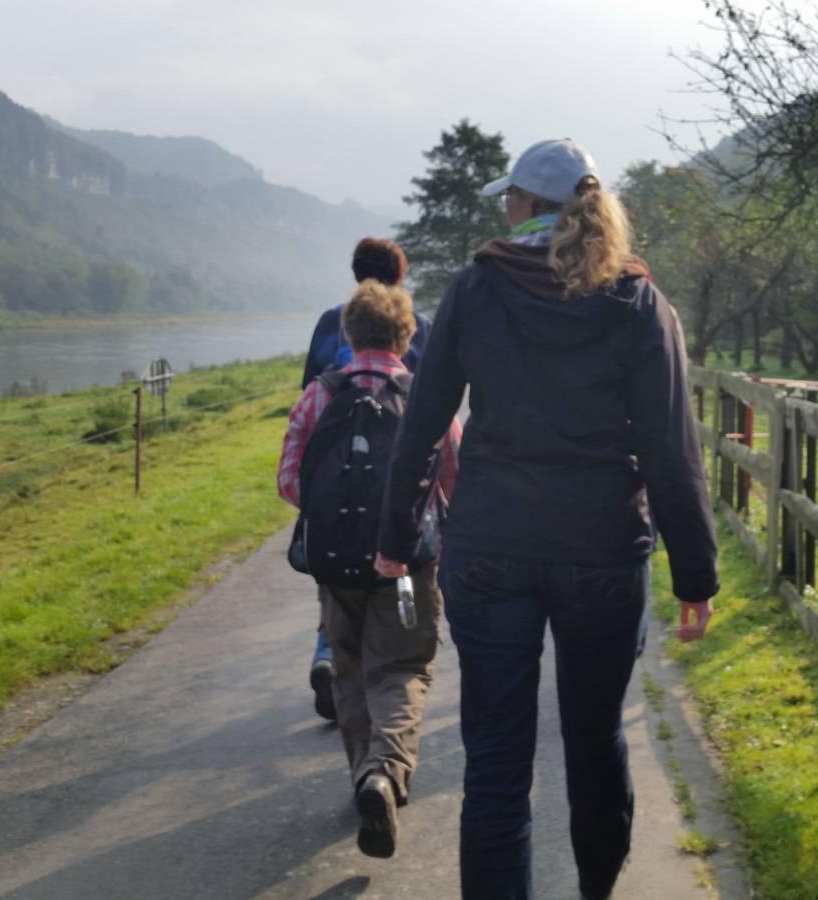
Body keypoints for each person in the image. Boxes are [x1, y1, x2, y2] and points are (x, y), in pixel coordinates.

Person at [374, 138, 719, 900]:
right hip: (602, 552)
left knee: (497, 763)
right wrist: (695, 575)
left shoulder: (476, 288)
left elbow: (422, 423)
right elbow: (670, 447)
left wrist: (395, 540)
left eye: (510, 197)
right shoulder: (636, 301)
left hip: (490, 548)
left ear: (528, 205)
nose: (504, 208)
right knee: (596, 741)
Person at [278, 277, 460, 858]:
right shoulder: (423, 396)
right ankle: (386, 771)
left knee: (350, 666)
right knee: (403, 665)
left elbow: (289, 479)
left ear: (350, 335)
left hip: (336, 568)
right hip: (406, 565)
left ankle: (364, 776)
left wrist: (335, 520)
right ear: (407, 336)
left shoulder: (319, 394)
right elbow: (454, 478)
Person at [300, 238, 433, 722]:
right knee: (395, 585)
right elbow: (436, 402)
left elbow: (309, 392)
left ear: (357, 273)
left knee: (339, 576)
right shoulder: (420, 326)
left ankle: (328, 656)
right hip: (400, 486)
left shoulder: (330, 322)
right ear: (401, 274)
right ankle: (387, 686)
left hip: (337, 483)